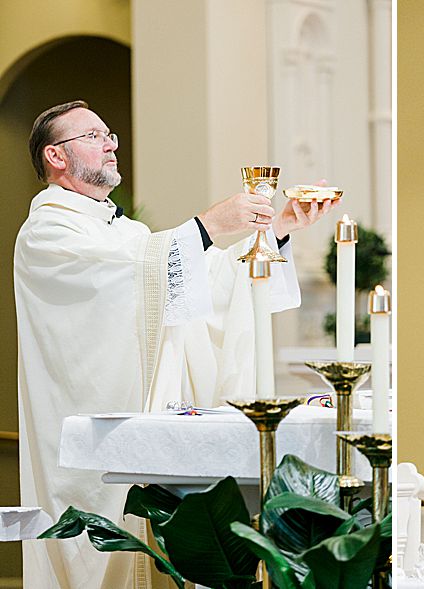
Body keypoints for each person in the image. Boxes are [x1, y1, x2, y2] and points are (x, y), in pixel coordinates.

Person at [16, 101, 335, 589]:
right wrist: (210, 224)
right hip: (94, 438)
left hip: (148, 439)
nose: (110, 144)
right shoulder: (47, 231)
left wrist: (277, 228)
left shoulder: (124, 230)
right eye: (94, 135)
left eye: (111, 134)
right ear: (56, 157)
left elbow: (206, 287)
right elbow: (130, 278)